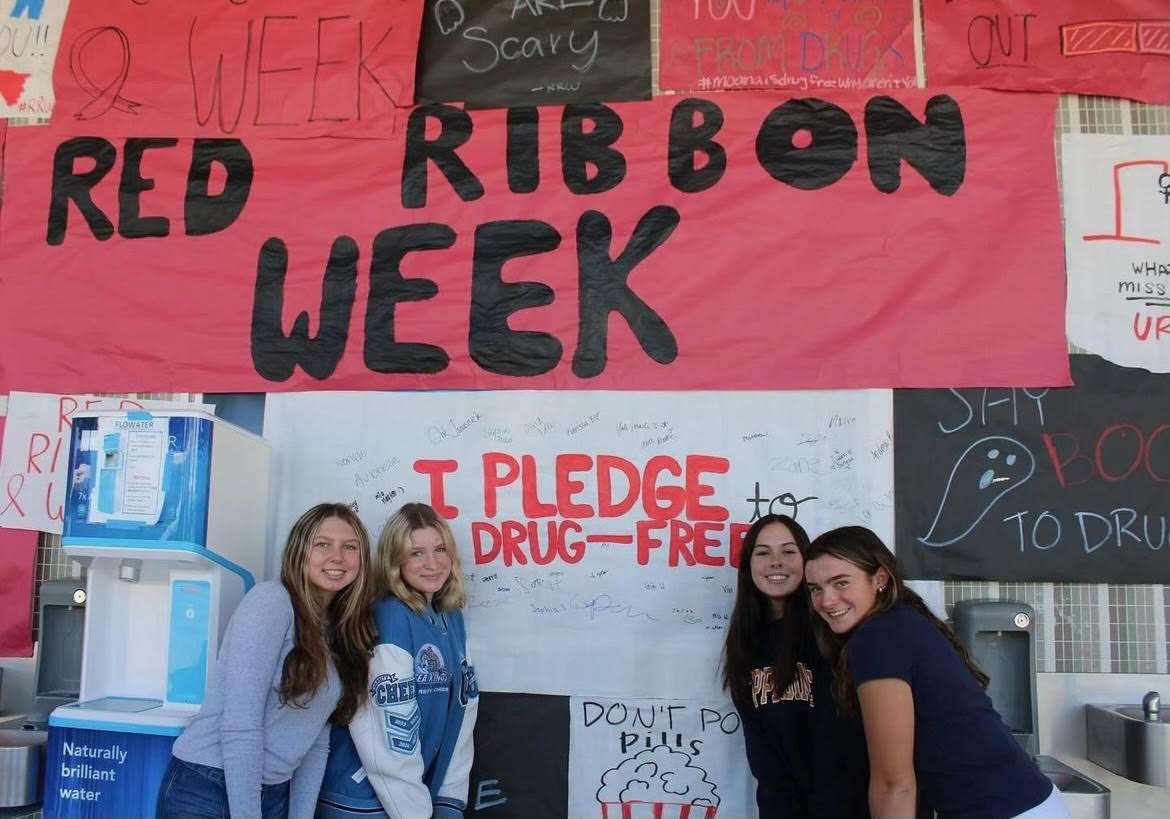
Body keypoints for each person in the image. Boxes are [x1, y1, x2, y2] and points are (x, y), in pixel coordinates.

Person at [803, 526, 1069, 819]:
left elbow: (895, 785)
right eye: (815, 588)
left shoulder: (877, 639)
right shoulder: (902, 621)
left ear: (879, 578)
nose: (826, 600)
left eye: (840, 583)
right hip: (1025, 802)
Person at [156, 503, 377, 819]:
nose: (337, 557)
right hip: (208, 785)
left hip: (272, 791)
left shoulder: (338, 627)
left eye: (350, 547)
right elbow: (240, 725)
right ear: (299, 552)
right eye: (322, 545)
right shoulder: (271, 602)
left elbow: (314, 740)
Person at [317, 502, 479, 819]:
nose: (432, 563)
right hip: (362, 802)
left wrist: (449, 800)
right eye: (416, 553)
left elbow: (464, 711)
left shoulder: (451, 617)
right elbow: (391, 736)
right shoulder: (390, 615)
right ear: (396, 561)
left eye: (440, 549)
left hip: (414, 797)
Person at [720, 514, 869, 818]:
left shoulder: (833, 631)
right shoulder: (745, 644)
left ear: (808, 561)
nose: (776, 562)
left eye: (788, 551)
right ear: (748, 566)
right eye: (763, 553)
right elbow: (765, 758)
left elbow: (844, 748)